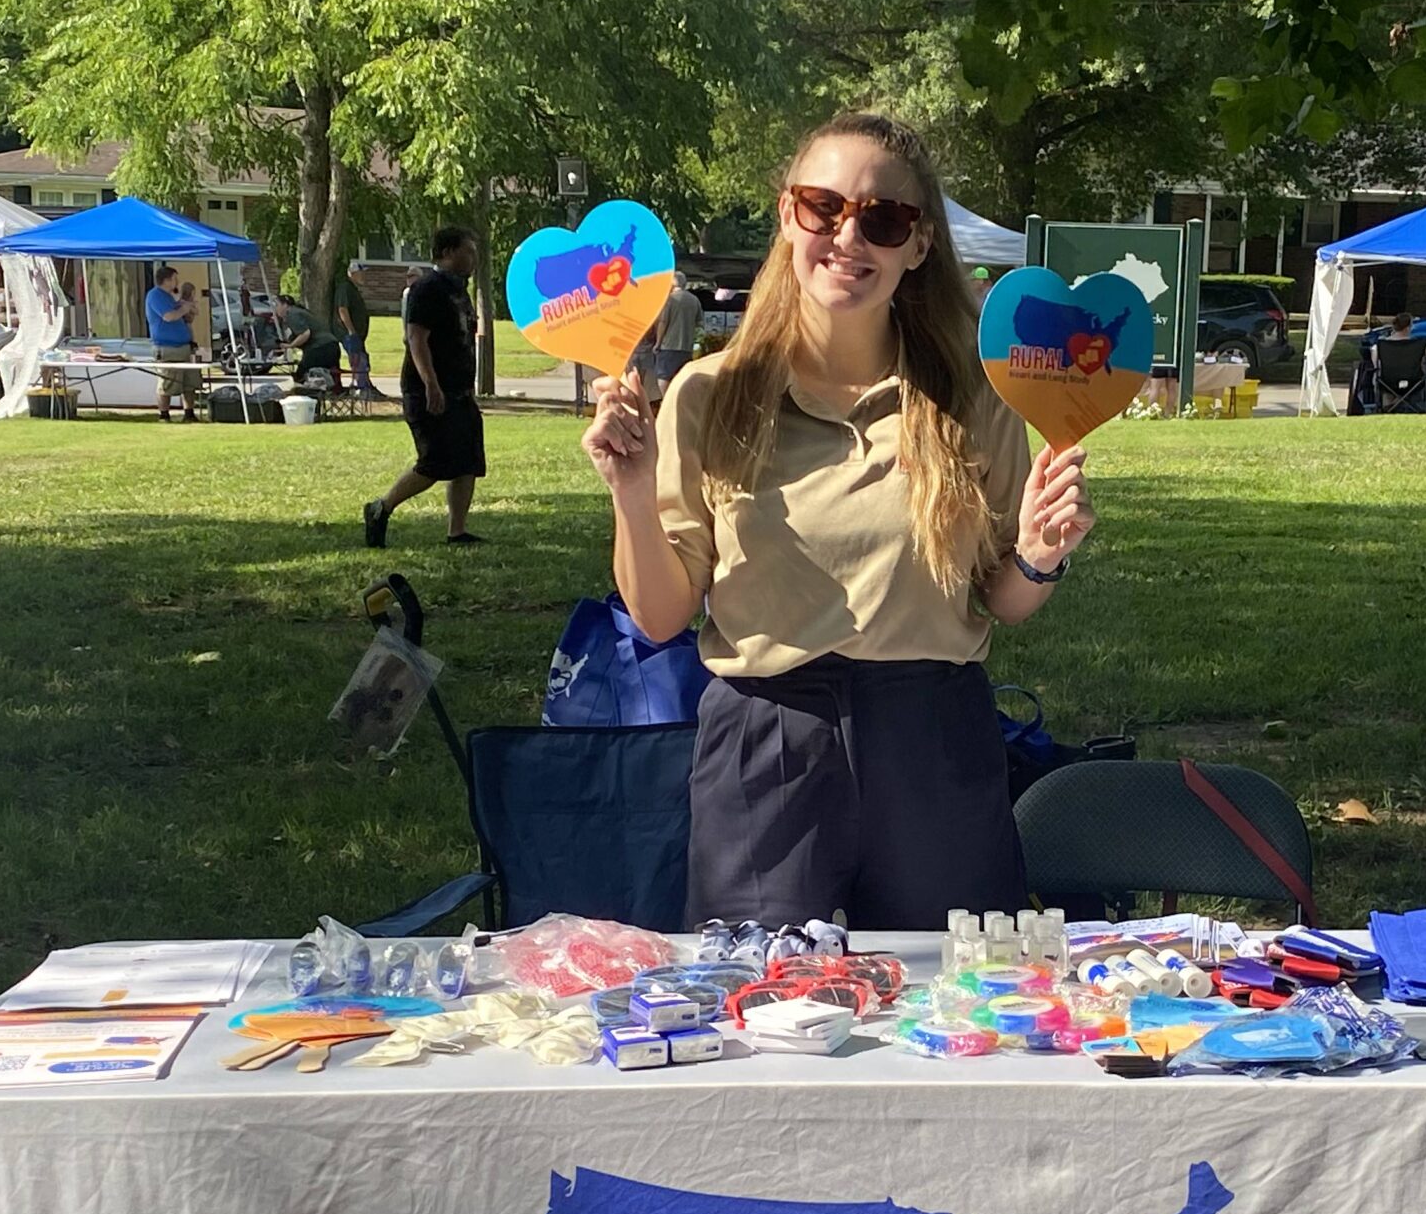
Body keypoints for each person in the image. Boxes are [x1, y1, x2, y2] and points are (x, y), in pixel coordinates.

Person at [579, 110, 1092, 929]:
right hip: (764, 737)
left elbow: (1004, 598)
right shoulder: (709, 394)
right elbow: (662, 613)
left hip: (933, 739)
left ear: (919, 245)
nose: (848, 237)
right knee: (763, 1020)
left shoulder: (976, 395)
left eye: (883, 219)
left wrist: (1036, 556)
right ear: (788, 216)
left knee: (957, 1016)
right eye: (824, 208)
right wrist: (632, 490)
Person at [363, 227, 485, 548]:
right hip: (429, 393)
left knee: (468, 462)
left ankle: (456, 532)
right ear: (447, 253)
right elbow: (417, 338)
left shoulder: (459, 291)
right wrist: (431, 384)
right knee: (433, 463)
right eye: (467, 251)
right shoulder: (428, 289)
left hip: (460, 393)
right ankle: (381, 508)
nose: (473, 258)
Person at [144, 264, 201, 422]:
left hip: (183, 346)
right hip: (166, 347)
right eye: (175, 279)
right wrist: (183, 309)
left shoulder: (169, 296)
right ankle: (164, 415)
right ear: (167, 280)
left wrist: (189, 307)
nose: (177, 282)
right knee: (167, 382)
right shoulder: (155, 296)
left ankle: (189, 413)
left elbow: (183, 313)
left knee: (189, 381)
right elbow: (168, 316)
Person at [647, 272, 701, 401]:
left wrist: (658, 343)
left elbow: (663, 323)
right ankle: (681, 401)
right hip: (686, 346)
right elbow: (699, 322)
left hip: (669, 345)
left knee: (663, 377)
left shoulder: (670, 300)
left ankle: (668, 402)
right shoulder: (694, 300)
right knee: (682, 377)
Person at [331, 265, 381, 398]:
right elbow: (342, 309)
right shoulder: (345, 288)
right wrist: (351, 330)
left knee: (361, 358)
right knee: (358, 360)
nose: (363, 276)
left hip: (356, 334)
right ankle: (360, 388)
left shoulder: (352, 288)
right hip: (349, 334)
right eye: (361, 273)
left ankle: (363, 386)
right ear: (352, 273)